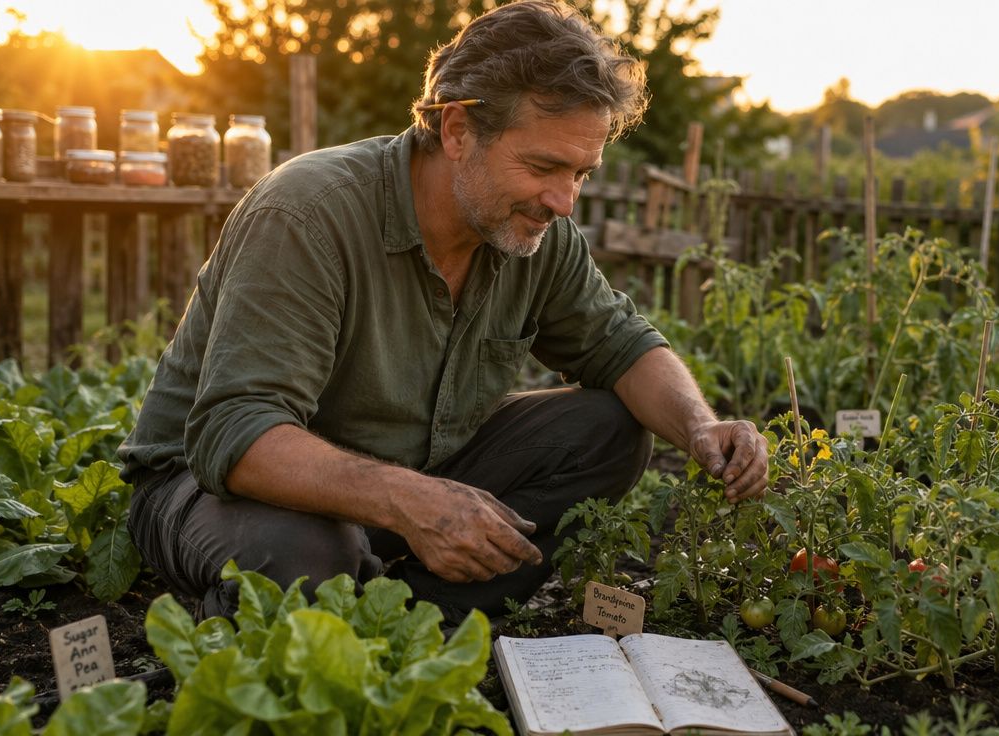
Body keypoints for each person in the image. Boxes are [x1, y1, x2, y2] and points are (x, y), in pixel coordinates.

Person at [118, 0, 769, 622]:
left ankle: (419, 615)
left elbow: (621, 346)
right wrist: (408, 500)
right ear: (457, 129)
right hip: (208, 488)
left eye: (582, 173)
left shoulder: (536, 234)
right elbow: (237, 436)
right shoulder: (310, 213)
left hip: (401, 477)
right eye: (544, 165)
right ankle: (297, 611)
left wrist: (700, 427)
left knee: (609, 429)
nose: (564, 199)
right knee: (310, 555)